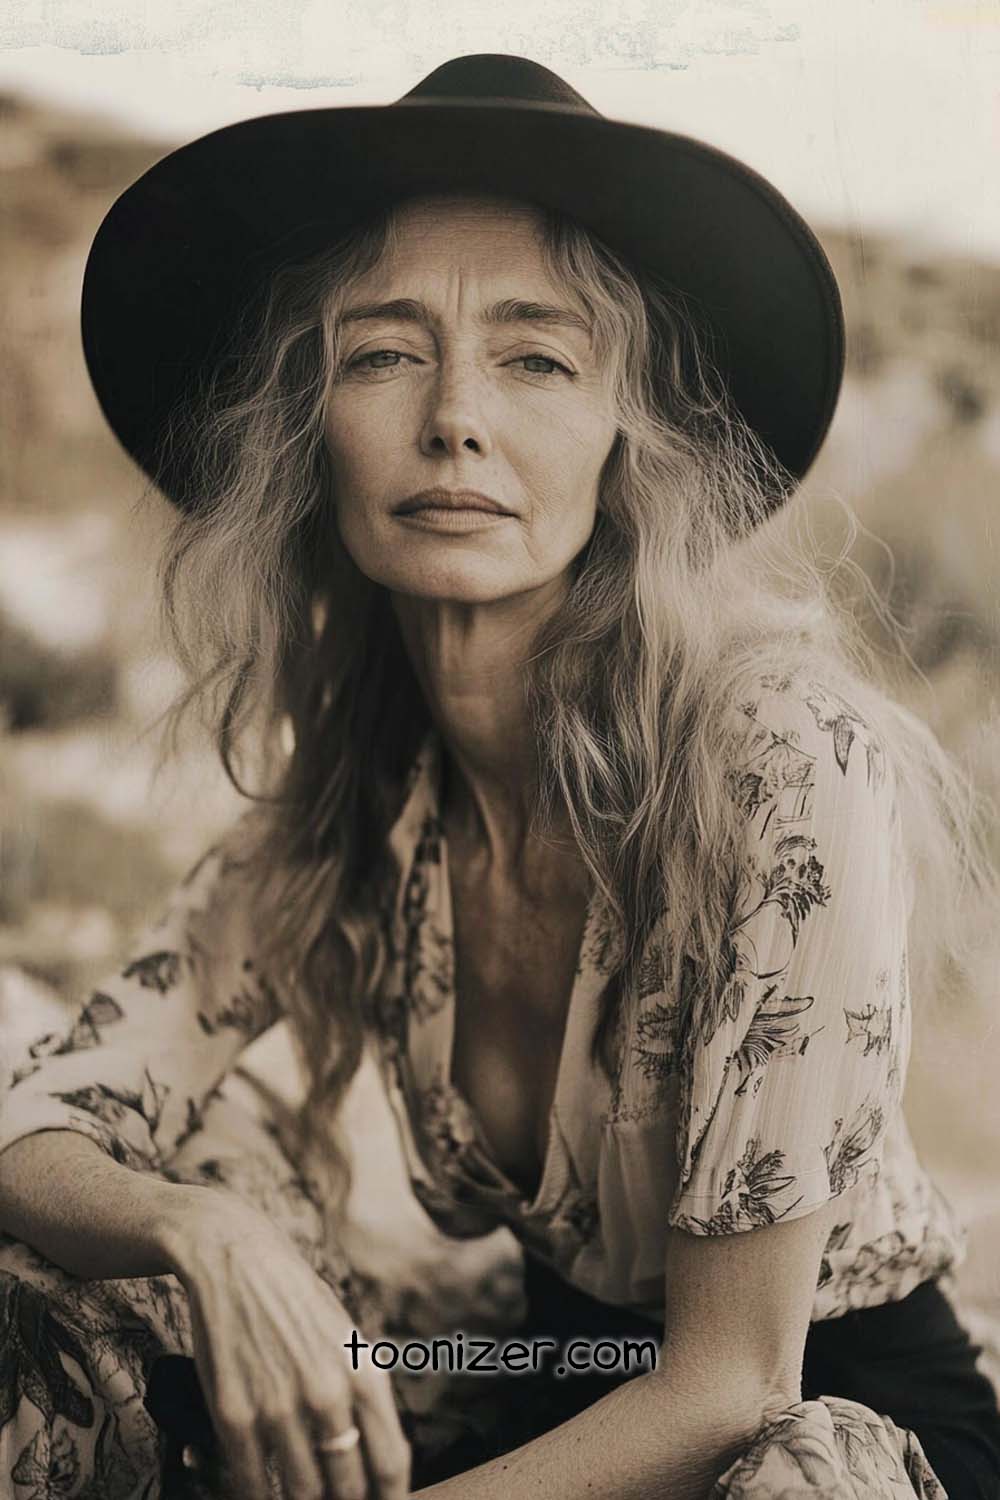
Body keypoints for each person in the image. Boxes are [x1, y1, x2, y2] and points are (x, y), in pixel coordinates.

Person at [0, 50, 997, 1500]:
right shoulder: (364, 800)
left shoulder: (779, 758)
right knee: (63, 1286)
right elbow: (49, 1113)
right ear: (308, 429)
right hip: (561, 1380)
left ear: (625, 435)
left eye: (535, 356)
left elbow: (733, 1386)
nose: (455, 414)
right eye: (385, 352)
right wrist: (203, 1238)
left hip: (811, 1421)